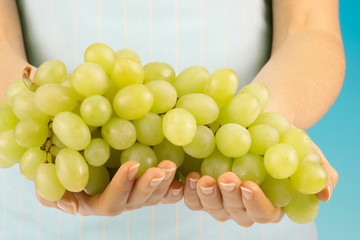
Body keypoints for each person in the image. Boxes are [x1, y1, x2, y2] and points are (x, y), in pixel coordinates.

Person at [0, 0, 343, 239]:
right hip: (42, 212)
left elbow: (310, 27)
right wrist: (33, 101)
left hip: (250, 209)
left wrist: (267, 117)